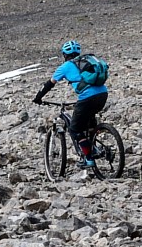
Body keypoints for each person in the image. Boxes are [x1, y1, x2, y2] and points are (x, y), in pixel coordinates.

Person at [34, 40, 109, 171]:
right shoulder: (88, 61)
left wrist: (38, 98)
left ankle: (89, 159)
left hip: (87, 97)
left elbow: (50, 84)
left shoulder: (65, 66)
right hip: (103, 94)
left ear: (65, 55)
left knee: (75, 129)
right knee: (89, 121)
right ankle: (93, 146)